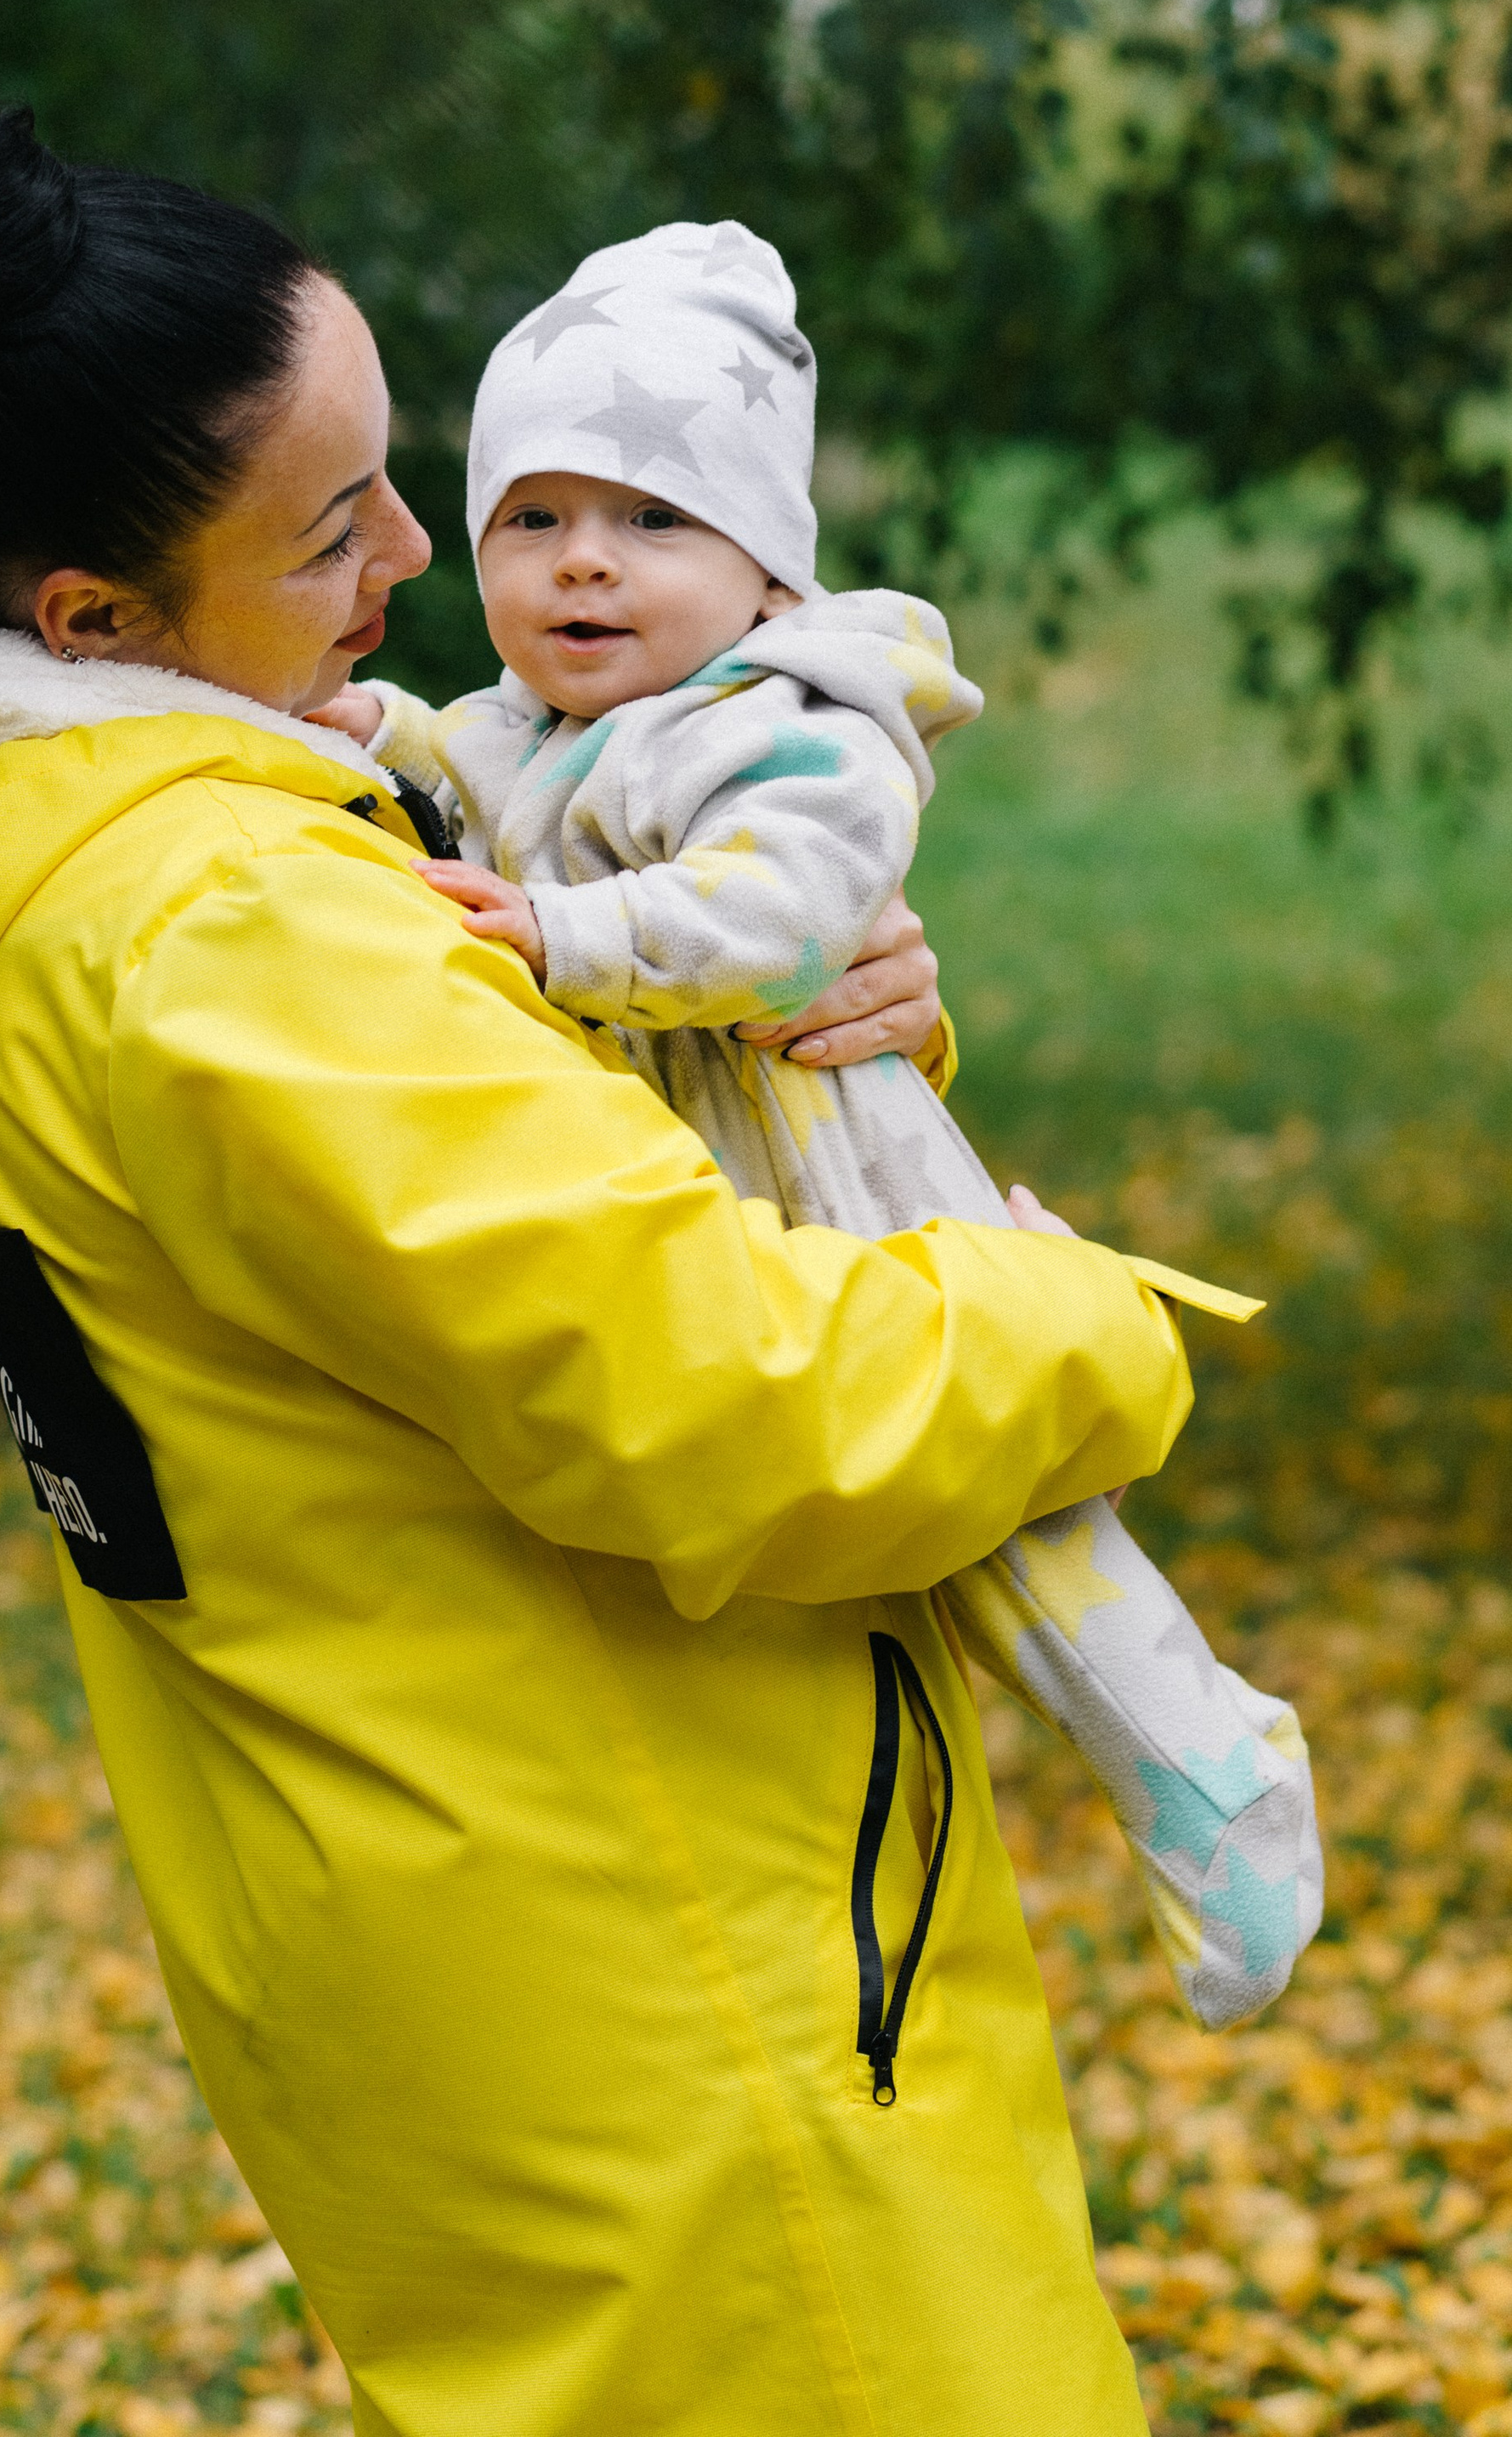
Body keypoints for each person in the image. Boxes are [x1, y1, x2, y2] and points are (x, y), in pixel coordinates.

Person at [0, 43, 1203, 2437]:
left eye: (398, 474)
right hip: (670, 2020)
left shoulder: (34, 878)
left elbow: (463, 1272)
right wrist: (1082, 1313)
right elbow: (725, 1401)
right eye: (328, 533)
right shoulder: (239, 939)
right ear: (90, 613)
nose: (417, 558)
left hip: (446, 1959)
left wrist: (797, 1041)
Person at [315, 218, 1322, 2038]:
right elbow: (422, 765)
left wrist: (567, 936)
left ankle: (1203, 1769)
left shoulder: (791, 720)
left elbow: (777, 917)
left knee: (1004, 1522)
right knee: (830, 1532)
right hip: (700, 1220)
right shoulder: (521, 728)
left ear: (768, 572)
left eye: (650, 521)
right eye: (529, 520)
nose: (580, 565)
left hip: (839, 1180)